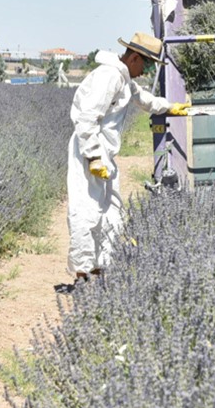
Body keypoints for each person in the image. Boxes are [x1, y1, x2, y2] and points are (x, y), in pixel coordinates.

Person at [64, 32, 190, 286]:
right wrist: (93, 158)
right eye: (147, 64)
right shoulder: (108, 77)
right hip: (89, 153)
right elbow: (86, 119)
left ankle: (101, 269)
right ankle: (82, 274)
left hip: (105, 155)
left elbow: (143, 98)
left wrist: (168, 107)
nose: (146, 71)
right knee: (87, 211)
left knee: (111, 212)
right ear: (134, 58)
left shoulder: (122, 78)